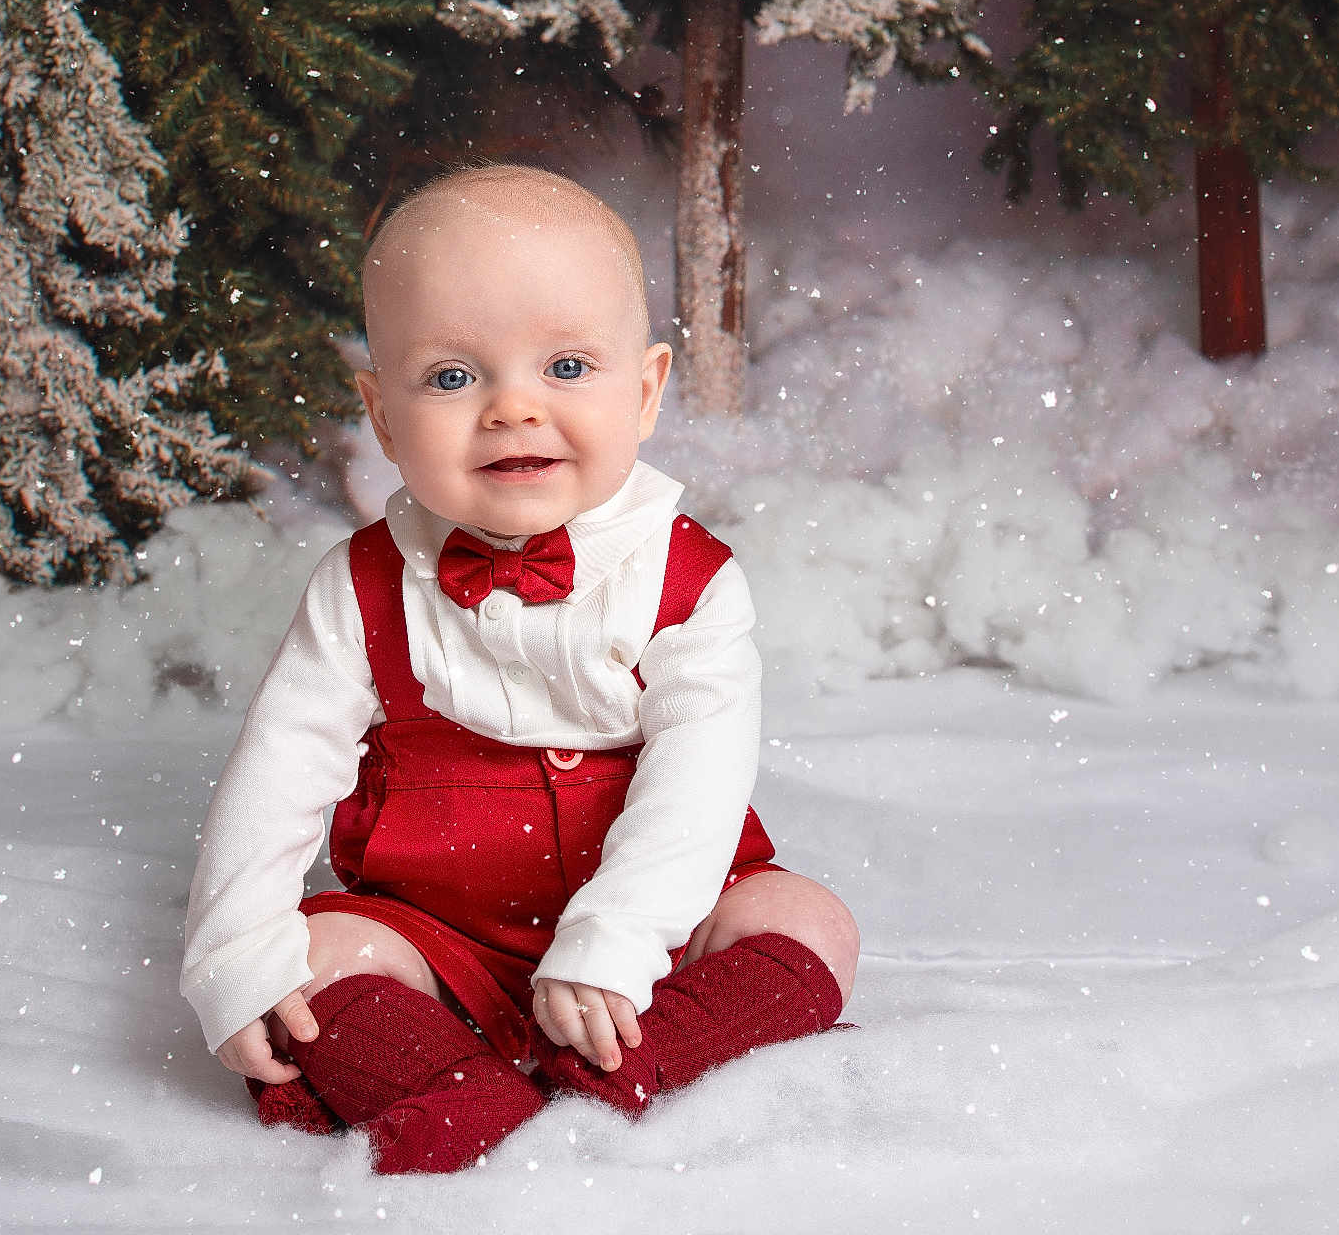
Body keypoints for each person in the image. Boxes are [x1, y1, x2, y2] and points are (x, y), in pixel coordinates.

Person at [180, 164, 859, 1174]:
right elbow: (279, 770)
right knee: (318, 956)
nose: (513, 409)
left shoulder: (692, 579)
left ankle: (640, 1058)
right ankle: (447, 1086)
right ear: (382, 413)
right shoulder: (360, 585)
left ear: (646, 391)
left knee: (810, 922)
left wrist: (618, 946)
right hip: (434, 932)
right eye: (453, 377)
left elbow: (697, 789)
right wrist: (232, 957)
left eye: (569, 368)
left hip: (653, 930)